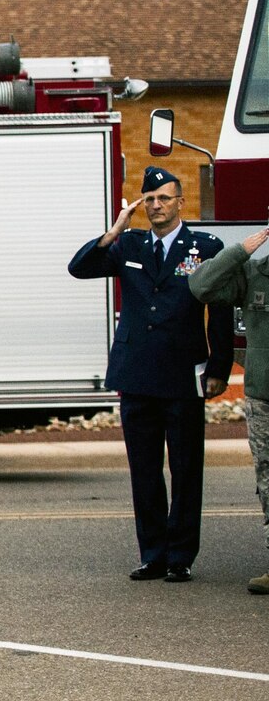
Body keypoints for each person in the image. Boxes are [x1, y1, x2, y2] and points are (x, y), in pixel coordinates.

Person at [70, 167, 233, 582]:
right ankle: (153, 554)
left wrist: (218, 367)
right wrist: (112, 231)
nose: (157, 206)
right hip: (137, 372)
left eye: (164, 198)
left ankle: (180, 557)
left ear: (181, 202)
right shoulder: (129, 244)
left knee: (185, 468)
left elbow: (221, 308)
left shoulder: (205, 247)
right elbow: (79, 268)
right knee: (144, 470)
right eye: (150, 199)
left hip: (183, 373)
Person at [187, 224, 269, 594]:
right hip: (263, 397)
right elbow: (200, 285)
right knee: (267, 483)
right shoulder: (254, 272)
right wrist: (241, 250)